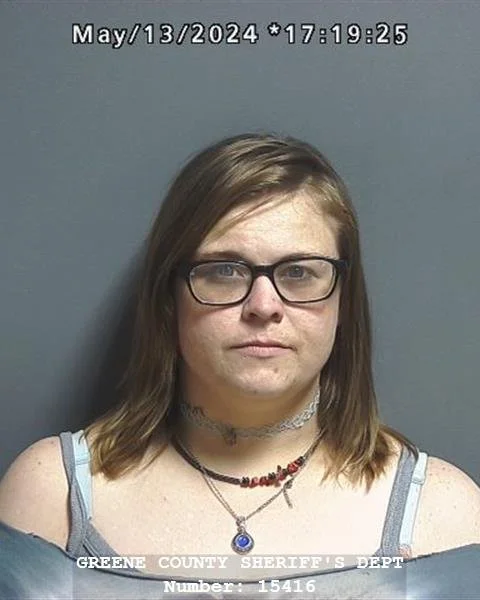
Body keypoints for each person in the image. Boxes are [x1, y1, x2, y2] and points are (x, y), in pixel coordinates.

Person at [0, 133, 479, 592]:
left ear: (343, 303)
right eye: (225, 270)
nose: (264, 305)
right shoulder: (54, 494)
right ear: (169, 298)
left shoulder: (442, 515)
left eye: (299, 272)